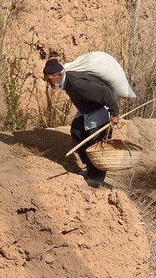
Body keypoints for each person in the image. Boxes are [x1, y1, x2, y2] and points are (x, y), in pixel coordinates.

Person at [43, 56, 117, 187]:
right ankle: (90, 169)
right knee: (77, 132)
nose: (48, 83)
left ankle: (97, 178)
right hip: (87, 110)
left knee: (96, 144)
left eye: (49, 80)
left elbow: (105, 93)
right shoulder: (67, 81)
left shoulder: (77, 84)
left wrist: (114, 113)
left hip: (99, 109)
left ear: (59, 75)